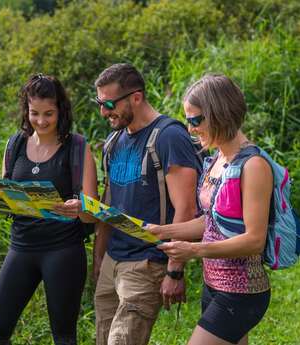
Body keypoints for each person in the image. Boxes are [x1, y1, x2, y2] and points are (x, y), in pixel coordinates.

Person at [151, 74, 272, 345]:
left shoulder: (253, 166)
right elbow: (212, 221)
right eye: (187, 120)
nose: (191, 128)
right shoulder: (217, 158)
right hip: (213, 285)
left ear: (219, 114)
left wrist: (193, 250)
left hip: (241, 292)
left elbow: (254, 240)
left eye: (195, 120)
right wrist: (163, 230)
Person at [0, 74, 98, 345]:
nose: (41, 121)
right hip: (21, 247)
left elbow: (92, 213)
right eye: (35, 113)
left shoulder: (77, 148)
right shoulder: (15, 145)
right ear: (26, 110)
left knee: (64, 337)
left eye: (49, 114)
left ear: (61, 111)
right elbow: (9, 200)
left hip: (63, 250)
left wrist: (78, 208)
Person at [92, 63, 202, 345]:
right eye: (99, 103)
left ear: (136, 97)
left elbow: (186, 209)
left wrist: (174, 269)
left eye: (108, 103)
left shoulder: (169, 136)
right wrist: (99, 259)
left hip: (146, 263)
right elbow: (109, 205)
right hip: (112, 261)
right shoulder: (113, 140)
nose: (103, 111)